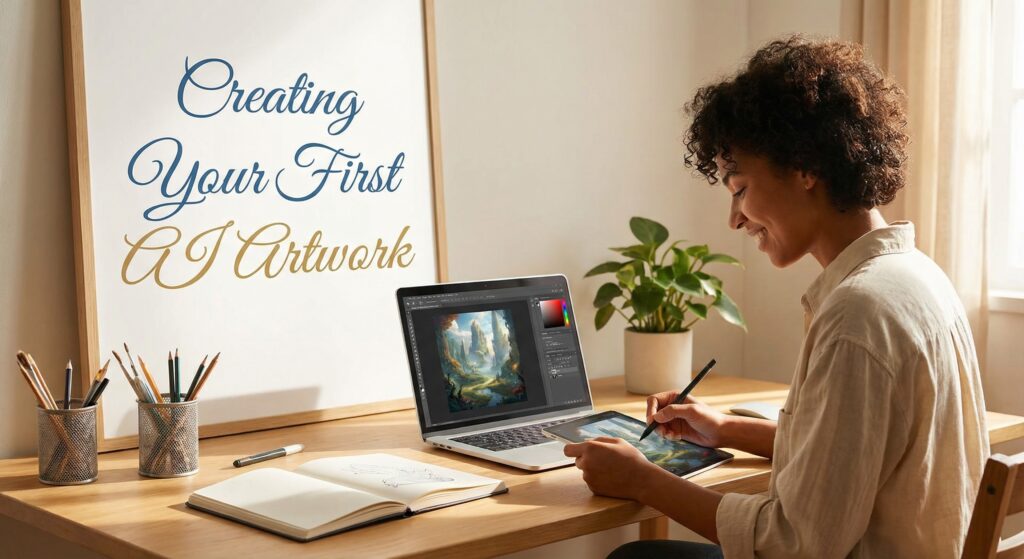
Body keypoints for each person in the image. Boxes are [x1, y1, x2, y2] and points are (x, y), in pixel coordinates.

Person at [564, 35, 989, 558]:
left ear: (805, 167)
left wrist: (644, 481)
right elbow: (849, 456)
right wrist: (723, 428)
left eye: (740, 188)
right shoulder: (916, 277)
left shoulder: (859, 314)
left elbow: (794, 544)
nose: (734, 218)